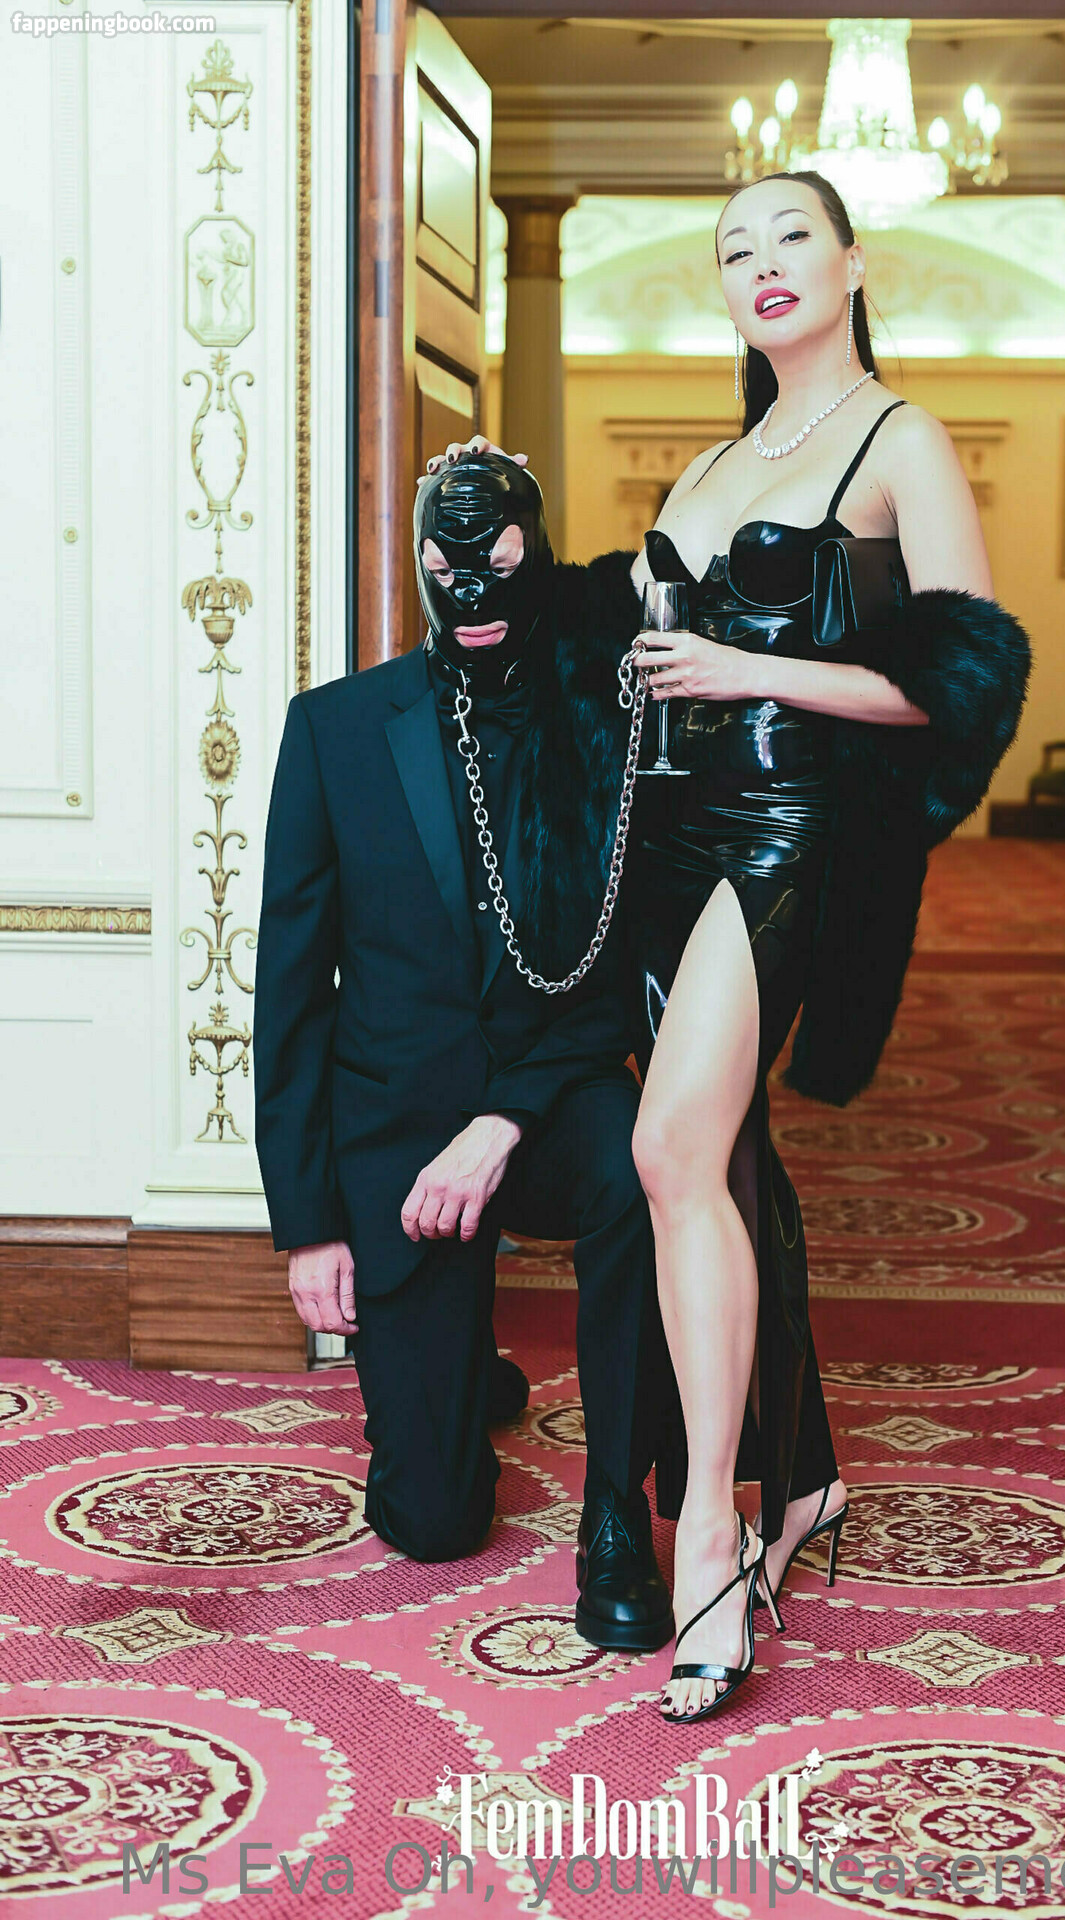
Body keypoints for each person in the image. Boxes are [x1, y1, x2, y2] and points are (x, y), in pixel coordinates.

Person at [425, 171, 1031, 1725]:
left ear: (850, 262)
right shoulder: (707, 460)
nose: (760, 266)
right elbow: (625, 647)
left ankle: (710, 1525)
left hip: (790, 835)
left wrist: (749, 668)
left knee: (670, 1150)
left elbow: (959, 689)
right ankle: (803, 1475)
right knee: (730, 1159)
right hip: (664, 836)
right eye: (732, 249)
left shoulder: (897, 440)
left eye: (789, 238)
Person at [253, 452, 676, 1654]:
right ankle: (455, 1374)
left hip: (544, 1101)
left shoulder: (598, 716)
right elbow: (292, 991)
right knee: (430, 1522)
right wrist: (310, 1225)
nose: (473, 590)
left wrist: (502, 1122)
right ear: (419, 565)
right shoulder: (335, 729)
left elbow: (614, 969)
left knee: (643, 1171)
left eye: (498, 561)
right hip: (399, 1130)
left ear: (538, 551)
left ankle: (616, 1513)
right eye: (448, 566)